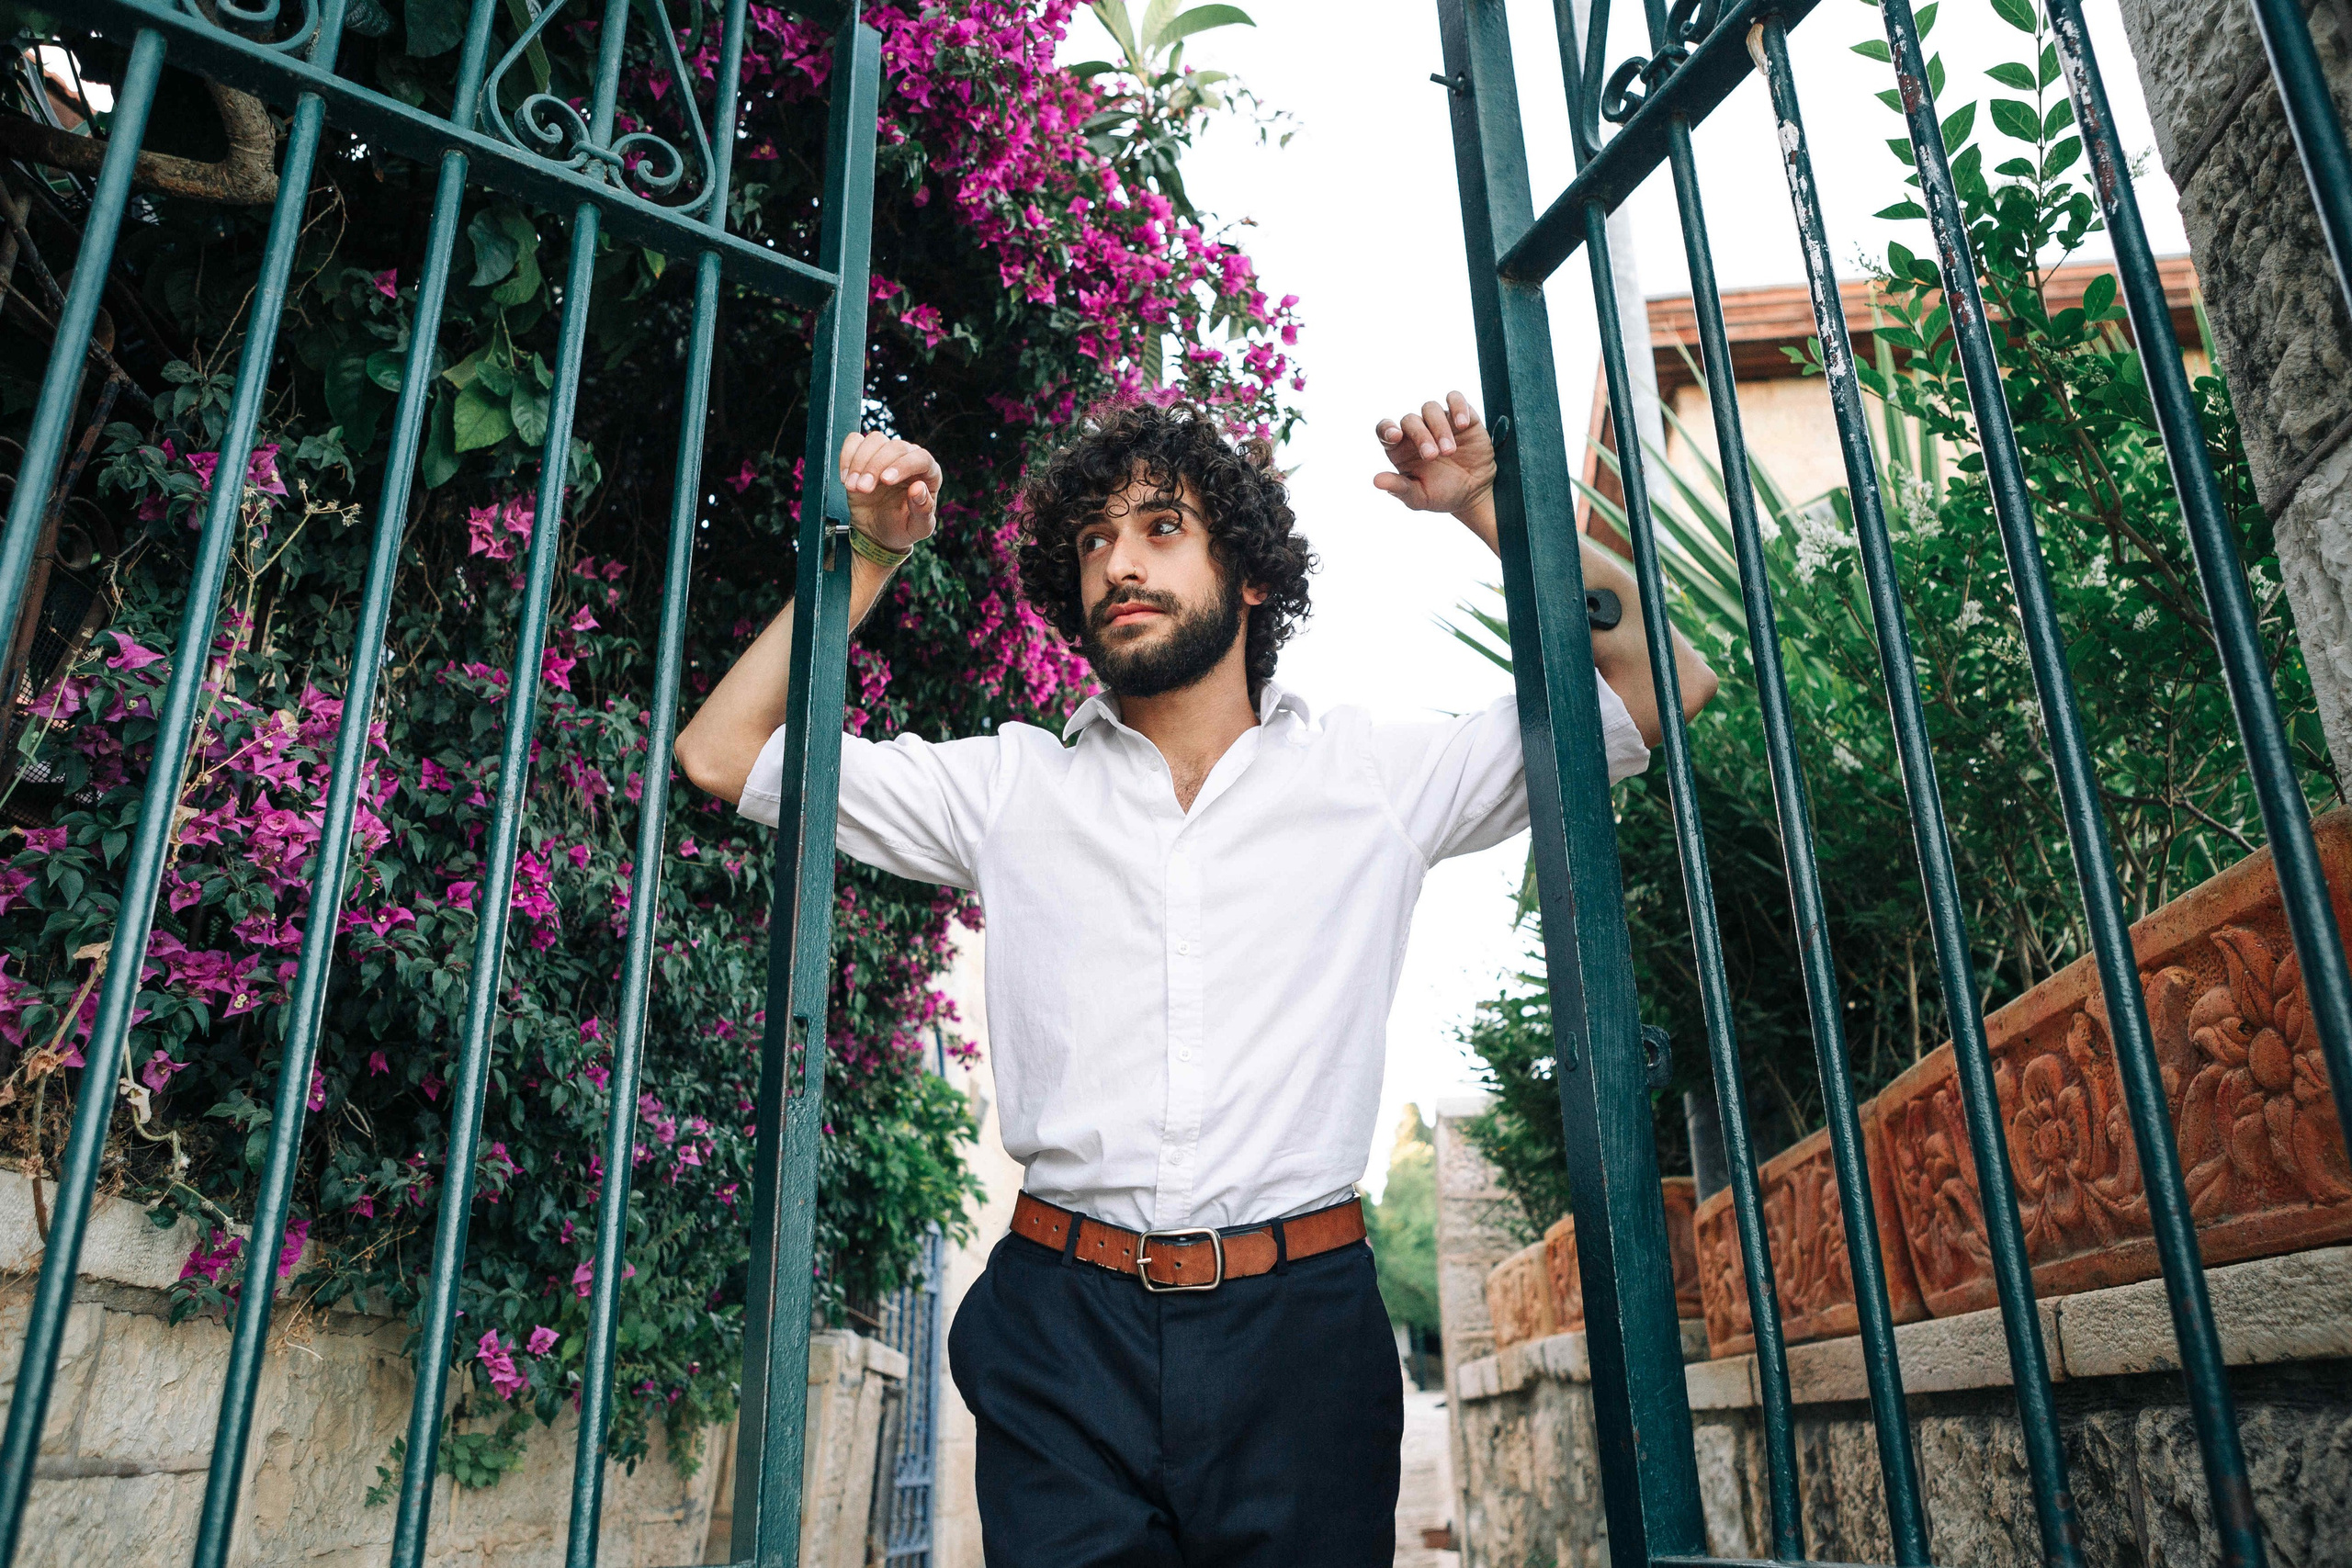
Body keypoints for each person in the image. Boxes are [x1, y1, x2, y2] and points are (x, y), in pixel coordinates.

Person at [674, 391, 1718, 1567]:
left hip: (1301, 1336)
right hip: (1062, 1327)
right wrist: (868, 556)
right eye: (1092, 543)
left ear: (1252, 576)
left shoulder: (1375, 776)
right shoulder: (1009, 788)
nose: (1118, 563)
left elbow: (1654, 686)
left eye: (1160, 528)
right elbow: (722, 753)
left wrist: (1487, 505)